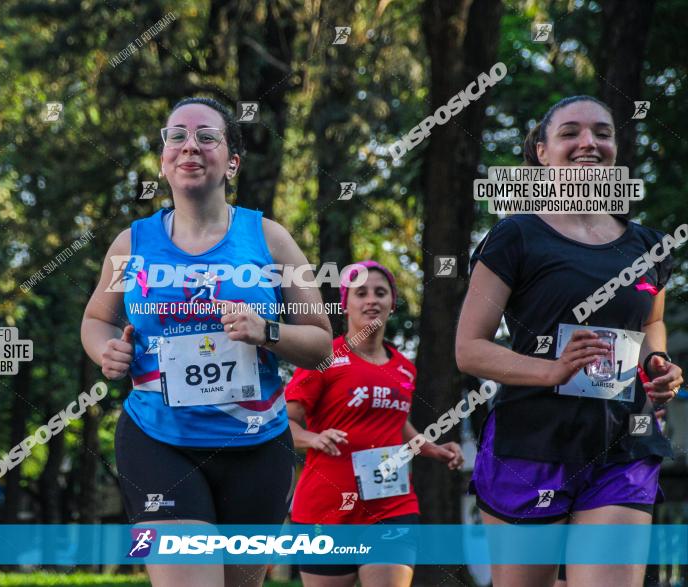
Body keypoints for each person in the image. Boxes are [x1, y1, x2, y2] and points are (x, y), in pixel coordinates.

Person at [81, 96, 333, 587]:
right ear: (163, 160)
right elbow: (96, 320)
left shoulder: (271, 238)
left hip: (257, 447)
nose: (189, 146)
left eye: (206, 136)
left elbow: (322, 344)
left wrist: (268, 331)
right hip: (159, 440)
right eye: (176, 136)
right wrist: (105, 350)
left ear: (231, 162)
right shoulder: (130, 243)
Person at [455, 95, 683, 587]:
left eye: (602, 133)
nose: (589, 143)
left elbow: (650, 324)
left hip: (623, 445)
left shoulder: (648, 245)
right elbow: (469, 348)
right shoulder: (515, 236)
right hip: (529, 446)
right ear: (541, 152)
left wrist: (658, 362)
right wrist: (550, 370)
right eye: (570, 133)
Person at [286, 260, 464, 587]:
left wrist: (434, 450)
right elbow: (287, 425)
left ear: (391, 304)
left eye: (381, 293)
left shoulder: (404, 369)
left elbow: (397, 425)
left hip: (391, 506)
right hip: (326, 511)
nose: (372, 300)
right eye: (361, 293)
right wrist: (314, 439)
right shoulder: (323, 357)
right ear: (345, 304)